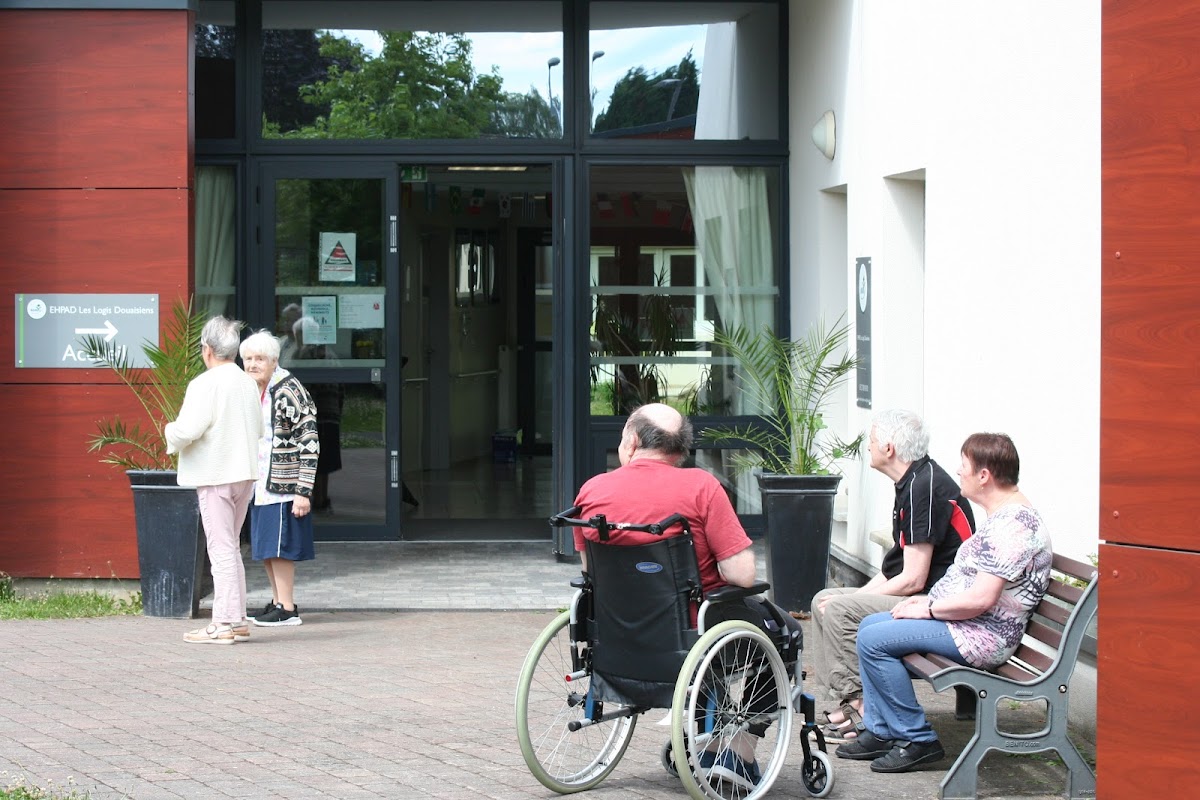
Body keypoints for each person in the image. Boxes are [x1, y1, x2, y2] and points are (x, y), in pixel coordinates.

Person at [572, 402, 802, 791]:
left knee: (712, 620)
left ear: (630, 441)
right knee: (785, 633)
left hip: (617, 636)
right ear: (681, 451)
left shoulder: (593, 490)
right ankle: (739, 752)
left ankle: (706, 738)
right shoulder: (700, 486)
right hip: (693, 630)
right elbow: (741, 574)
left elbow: (590, 570)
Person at [835, 433, 1052, 773]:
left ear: (984, 475)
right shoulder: (1003, 516)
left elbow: (981, 599)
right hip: (967, 624)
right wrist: (925, 601)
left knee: (876, 639)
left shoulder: (1015, 526)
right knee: (870, 625)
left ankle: (918, 739)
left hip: (983, 636)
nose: (958, 472)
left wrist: (929, 608)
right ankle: (881, 731)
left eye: (964, 466)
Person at [811, 409, 975, 741]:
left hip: (936, 601)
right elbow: (895, 571)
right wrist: (853, 597)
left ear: (889, 448)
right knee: (823, 600)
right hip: (922, 593)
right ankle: (850, 700)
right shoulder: (912, 481)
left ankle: (861, 707)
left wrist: (851, 603)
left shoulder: (924, 487)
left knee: (841, 610)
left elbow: (914, 579)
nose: (868, 447)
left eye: (871, 441)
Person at [165, 316, 263, 645]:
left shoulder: (205, 384)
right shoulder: (246, 382)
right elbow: (259, 429)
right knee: (230, 547)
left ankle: (222, 623)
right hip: (244, 474)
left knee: (219, 549)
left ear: (206, 349)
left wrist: (169, 433)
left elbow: (187, 430)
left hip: (216, 475)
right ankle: (235, 619)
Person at [240, 330, 320, 627]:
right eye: (248, 359)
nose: (252, 365)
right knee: (265, 547)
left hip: (283, 487)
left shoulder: (288, 390)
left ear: (274, 361)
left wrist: (303, 490)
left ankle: (287, 608)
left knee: (280, 547)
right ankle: (277, 602)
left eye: (259, 359)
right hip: (261, 484)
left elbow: (309, 440)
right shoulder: (257, 389)